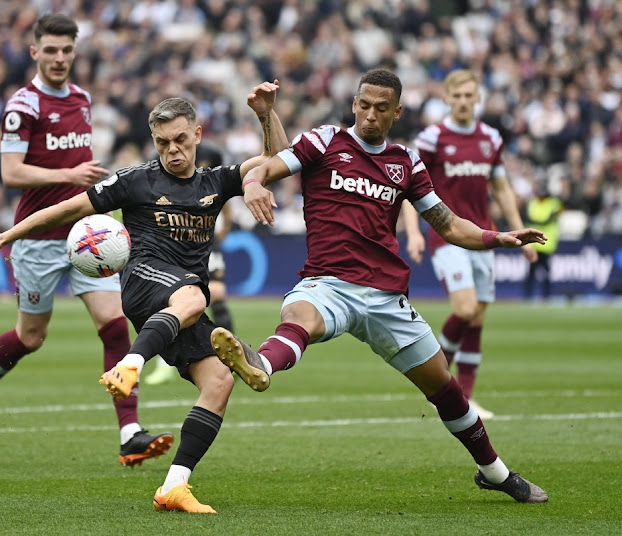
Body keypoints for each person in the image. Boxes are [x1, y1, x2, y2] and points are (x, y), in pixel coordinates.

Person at [210, 68, 549, 504]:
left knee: (445, 390)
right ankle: (261, 364)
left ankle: (495, 471)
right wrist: (253, 182)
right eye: (364, 105)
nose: (370, 115)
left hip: (386, 296)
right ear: (354, 104)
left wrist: (497, 237)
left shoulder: (406, 162)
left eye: (381, 109)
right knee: (299, 318)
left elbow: (448, 224)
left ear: (397, 113)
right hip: (328, 282)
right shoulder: (325, 140)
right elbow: (272, 164)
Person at [0, 79, 289, 513]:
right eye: (162, 143)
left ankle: (174, 485)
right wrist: (8, 234)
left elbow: (278, 160)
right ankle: (130, 365)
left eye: (179, 140)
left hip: (179, 302)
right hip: (142, 281)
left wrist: (266, 114)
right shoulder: (136, 180)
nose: (172, 150)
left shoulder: (216, 181)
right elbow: (68, 209)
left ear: (196, 135)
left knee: (219, 380)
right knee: (197, 294)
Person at [0, 14, 173, 468]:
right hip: (37, 236)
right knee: (30, 337)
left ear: (75, 53)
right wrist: (68, 175)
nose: (59, 58)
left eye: (66, 50)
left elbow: (80, 167)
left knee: (115, 326)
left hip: (87, 233)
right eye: (50, 50)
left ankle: (129, 433)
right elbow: (11, 173)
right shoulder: (23, 106)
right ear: (35, 52)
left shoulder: (82, 99)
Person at [401, 69, 538, 419]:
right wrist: (414, 233)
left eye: (468, 96)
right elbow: (411, 188)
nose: (462, 101)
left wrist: (520, 233)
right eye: (456, 96)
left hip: (484, 236)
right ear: (447, 99)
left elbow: (502, 188)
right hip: (447, 236)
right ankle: (438, 379)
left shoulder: (490, 138)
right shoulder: (432, 138)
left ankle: (465, 397)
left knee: (476, 317)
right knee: (464, 308)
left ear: (477, 98)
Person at [144, 141, 236, 386]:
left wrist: (227, 220)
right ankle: (165, 365)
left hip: (204, 234)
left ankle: (233, 360)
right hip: (174, 239)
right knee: (174, 301)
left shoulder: (213, 153)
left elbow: (222, 188)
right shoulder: (161, 156)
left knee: (216, 293)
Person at [523, 182, 563, 300]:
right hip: (533, 244)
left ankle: (547, 295)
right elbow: (527, 217)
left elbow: (547, 220)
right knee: (531, 272)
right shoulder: (532, 202)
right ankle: (528, 296)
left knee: (546, 272)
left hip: (546, 244)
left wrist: (535, 223)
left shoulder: (554, 203)